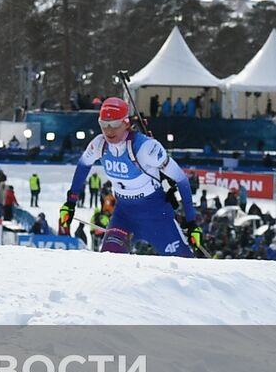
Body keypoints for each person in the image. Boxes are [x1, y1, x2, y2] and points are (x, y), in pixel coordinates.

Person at [62, 98, 195, 257]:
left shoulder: (146, 147)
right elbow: (83, 165)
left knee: (184, 266)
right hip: (124, 216)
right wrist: (70, 204)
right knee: (109, 262)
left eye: (114, 125)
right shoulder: (99, 144)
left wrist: (192, 223)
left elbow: (181, 179)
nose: (109, 131)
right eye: (104, 124)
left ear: (126, 123)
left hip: (156, 216)